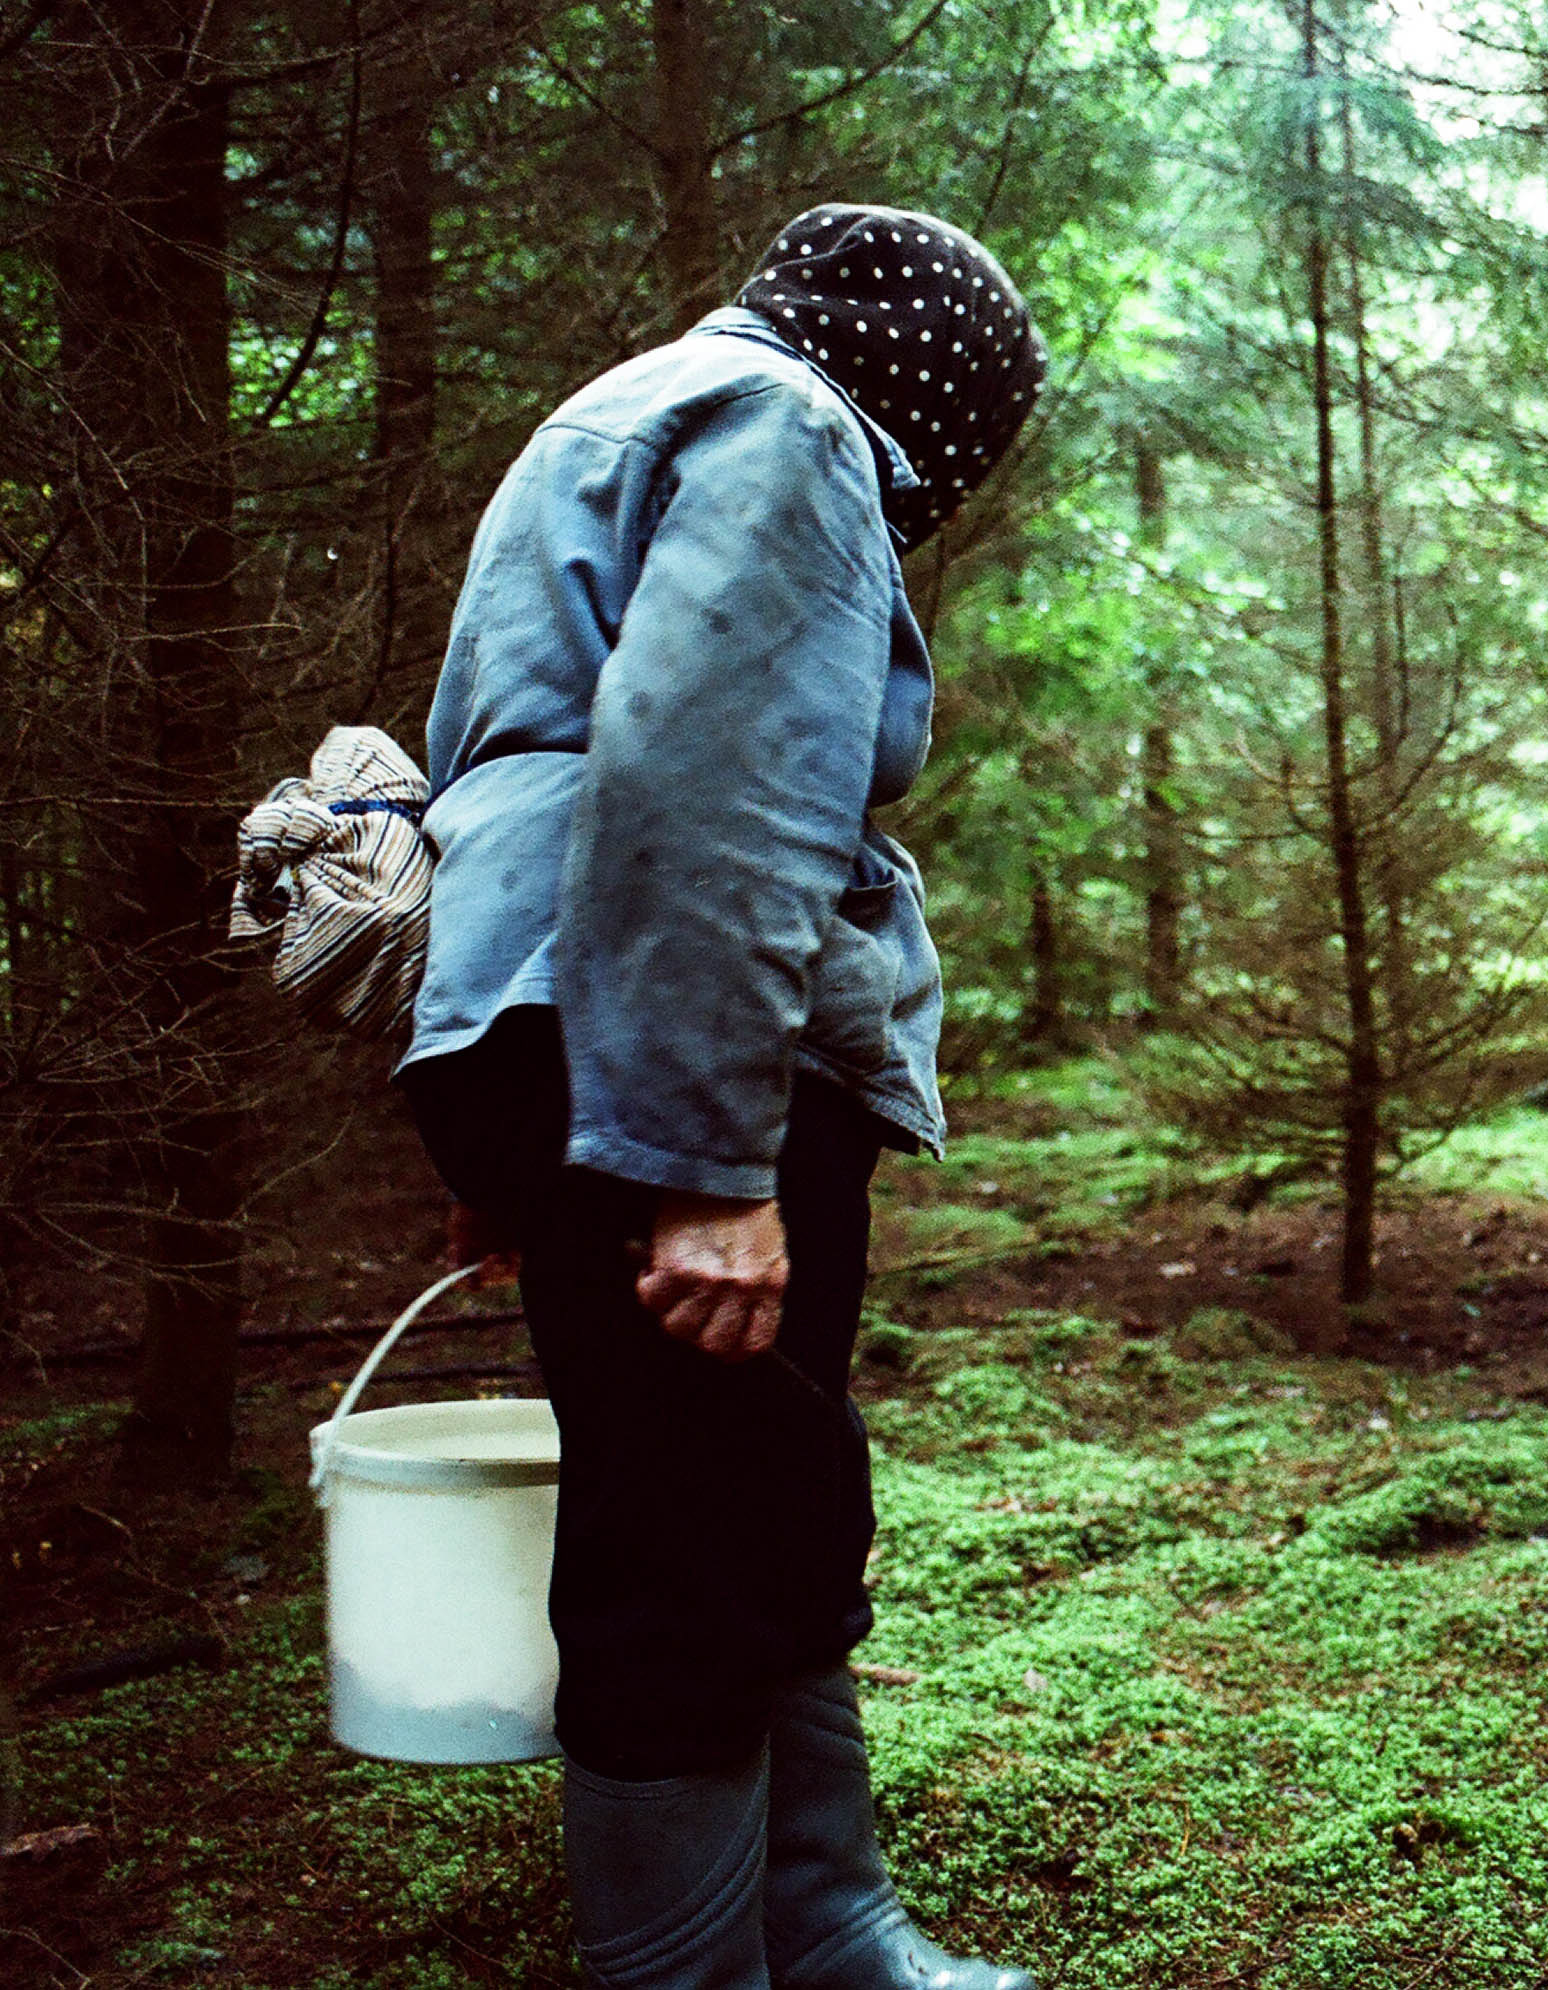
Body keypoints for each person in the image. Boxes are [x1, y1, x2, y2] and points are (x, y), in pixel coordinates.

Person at [397, 202, 1047, 1990]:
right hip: (679, 1044)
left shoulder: (623, 411)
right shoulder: (796, 429)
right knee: (690, 1528)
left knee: (743, 1481)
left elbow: (513, 767)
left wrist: (529, 1140)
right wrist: (700, 1159)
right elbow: (714, 792)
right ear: (935, 404)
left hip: (562, 1020)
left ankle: (824, 1922)